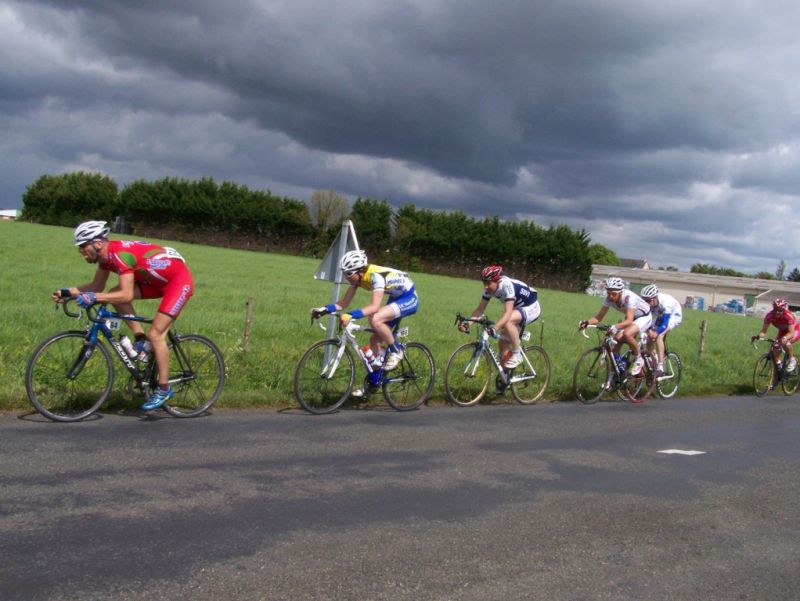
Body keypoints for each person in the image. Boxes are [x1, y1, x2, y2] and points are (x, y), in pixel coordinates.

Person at [52, 220, 194, 411]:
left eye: (83, 246)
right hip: (156, 281)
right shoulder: (105, 258)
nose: (81, 251)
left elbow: (125, 295)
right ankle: (140, 338)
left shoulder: (119, 256)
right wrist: (67, 292)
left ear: (98, 243)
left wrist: (95, 297)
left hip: (178, 282)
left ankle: (163, 389)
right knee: (113, 293)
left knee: (156, 334)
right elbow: (97, 286)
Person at [311, 250, 418, 372]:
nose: (346, 277)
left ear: (360, 271)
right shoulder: (358, 279)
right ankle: (376, 378)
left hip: (409, 298)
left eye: (348, 273)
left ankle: (397, 351)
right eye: (344, 273)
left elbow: (375, 307)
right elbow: (343, 303)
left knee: (375, 318)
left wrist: (351, 315)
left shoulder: (376, 277)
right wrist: (324, 309)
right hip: (395, 298)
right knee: (374, 340)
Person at [458, 265, 541, 369]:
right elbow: (479, 310)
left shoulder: (507, 286)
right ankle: (506, 375)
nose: (485, 286)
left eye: (488, 283)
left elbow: (508, 313)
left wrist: (495, 328)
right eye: (484, 283)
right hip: (517, 309)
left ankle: (517, 354)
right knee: (502, 343)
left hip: (531, 307)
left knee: (508, 321)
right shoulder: (488, 289)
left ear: (497, 281)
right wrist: (467, 324)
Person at [579, 276, 652, 376]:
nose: (610, 296)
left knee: (627, 334)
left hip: (644, 317)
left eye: (613, 294)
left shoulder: (629, 298)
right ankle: (618, 371)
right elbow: (598, 318)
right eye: (608, 293)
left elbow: (629, 321)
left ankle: (639, 359)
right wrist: (586, 322)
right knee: (616, 339)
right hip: (631, 317)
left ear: (620, 292)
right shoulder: (608, 299)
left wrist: (615, 327)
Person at [639, 284, 682, 374]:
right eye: (644, 300)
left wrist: (656, 332)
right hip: (660, 314)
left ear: (654, 298)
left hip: (673, 315)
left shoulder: (666, 302)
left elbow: (665, 324)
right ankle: (652, 360)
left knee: (659, 336)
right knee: (649, 337)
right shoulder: (650, 303)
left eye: (648, 300)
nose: (646, 303)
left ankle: (660, 366)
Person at [752, 298, 798, 372]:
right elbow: (763, 331)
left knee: (786, 343)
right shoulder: (769, 316)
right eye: (775, 310)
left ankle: (792, 360)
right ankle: (779, 369)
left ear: (784, 310)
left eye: (780, 310)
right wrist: (758, 336)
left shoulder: (788, 316)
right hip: (782, 331)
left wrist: (785, 338)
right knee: (775, 350)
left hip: (795, 330)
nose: (777, 312)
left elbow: (791, 333)